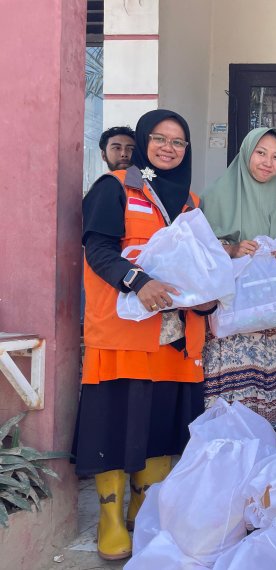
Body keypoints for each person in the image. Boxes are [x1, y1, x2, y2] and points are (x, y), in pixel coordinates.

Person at [73, 109, 215, 560]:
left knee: (160, 425)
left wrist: (209, 296)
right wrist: (138, 281)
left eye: (178, 141)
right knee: (115, 422)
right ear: (142, 141)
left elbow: (200, 263)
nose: (169, 148)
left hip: (176, 336)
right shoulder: (114, 188)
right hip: (123, 333)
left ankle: (143, 509)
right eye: (160, 139)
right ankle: (111, 519)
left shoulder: (191, 201)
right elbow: (97, 250)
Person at [200, 127, 276, 434]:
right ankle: (226, 453)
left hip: (269, 319)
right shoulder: (214, 196)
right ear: (246, 152)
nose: (268, 162)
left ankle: (262, 454)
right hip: (232, 317)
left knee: (266, 387)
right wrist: (232, 249)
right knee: (231, 393)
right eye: (261, 153)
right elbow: (198, 254)